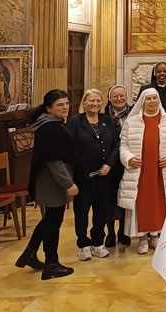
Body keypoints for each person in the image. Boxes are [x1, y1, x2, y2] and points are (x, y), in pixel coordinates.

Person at [16, 90, 77, 280]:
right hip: (52, 181)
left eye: (66, 103)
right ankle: (51, 264)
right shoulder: (50, 128)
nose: (65, 107)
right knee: (53, 223)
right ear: (49, 108)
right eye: (60, 105)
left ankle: (30, 253)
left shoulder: (51, 123)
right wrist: (68, 184)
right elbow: (54, 161)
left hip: (50, 180)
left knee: (50, 219)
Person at [118, 88, 166, 255]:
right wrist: (129, 158)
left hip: (161, 170)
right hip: (140, 171)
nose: (152, 101)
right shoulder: (131, 122)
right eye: (148, 99)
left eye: (155, 98)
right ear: (142, 102)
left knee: (159, 201)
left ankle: (155, 235)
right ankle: (142, 238)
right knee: (142, 202)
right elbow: (123, 145)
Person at [67, 89, 120, 261]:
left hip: (104, 175)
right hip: (83, 176)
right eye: (91, 101)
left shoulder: (107, 121)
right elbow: (70, 148)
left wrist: (109, 164)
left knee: (102, 211)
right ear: (84, 102)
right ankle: (83, 243)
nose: (95, 104)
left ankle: (98, 242)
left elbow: (116, 144)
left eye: (98, 101)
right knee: (82, 212)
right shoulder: (75, 122)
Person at [103, 85, 131, 248]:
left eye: (122, 96)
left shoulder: (135, 113)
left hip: (127, 162)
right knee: (108, 199)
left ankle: (123, 231)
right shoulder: (103, 115)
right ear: (110, 98)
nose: (119, 99)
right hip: (108, 162)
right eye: (115, 96)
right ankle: (110, 232)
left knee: (124, 197)